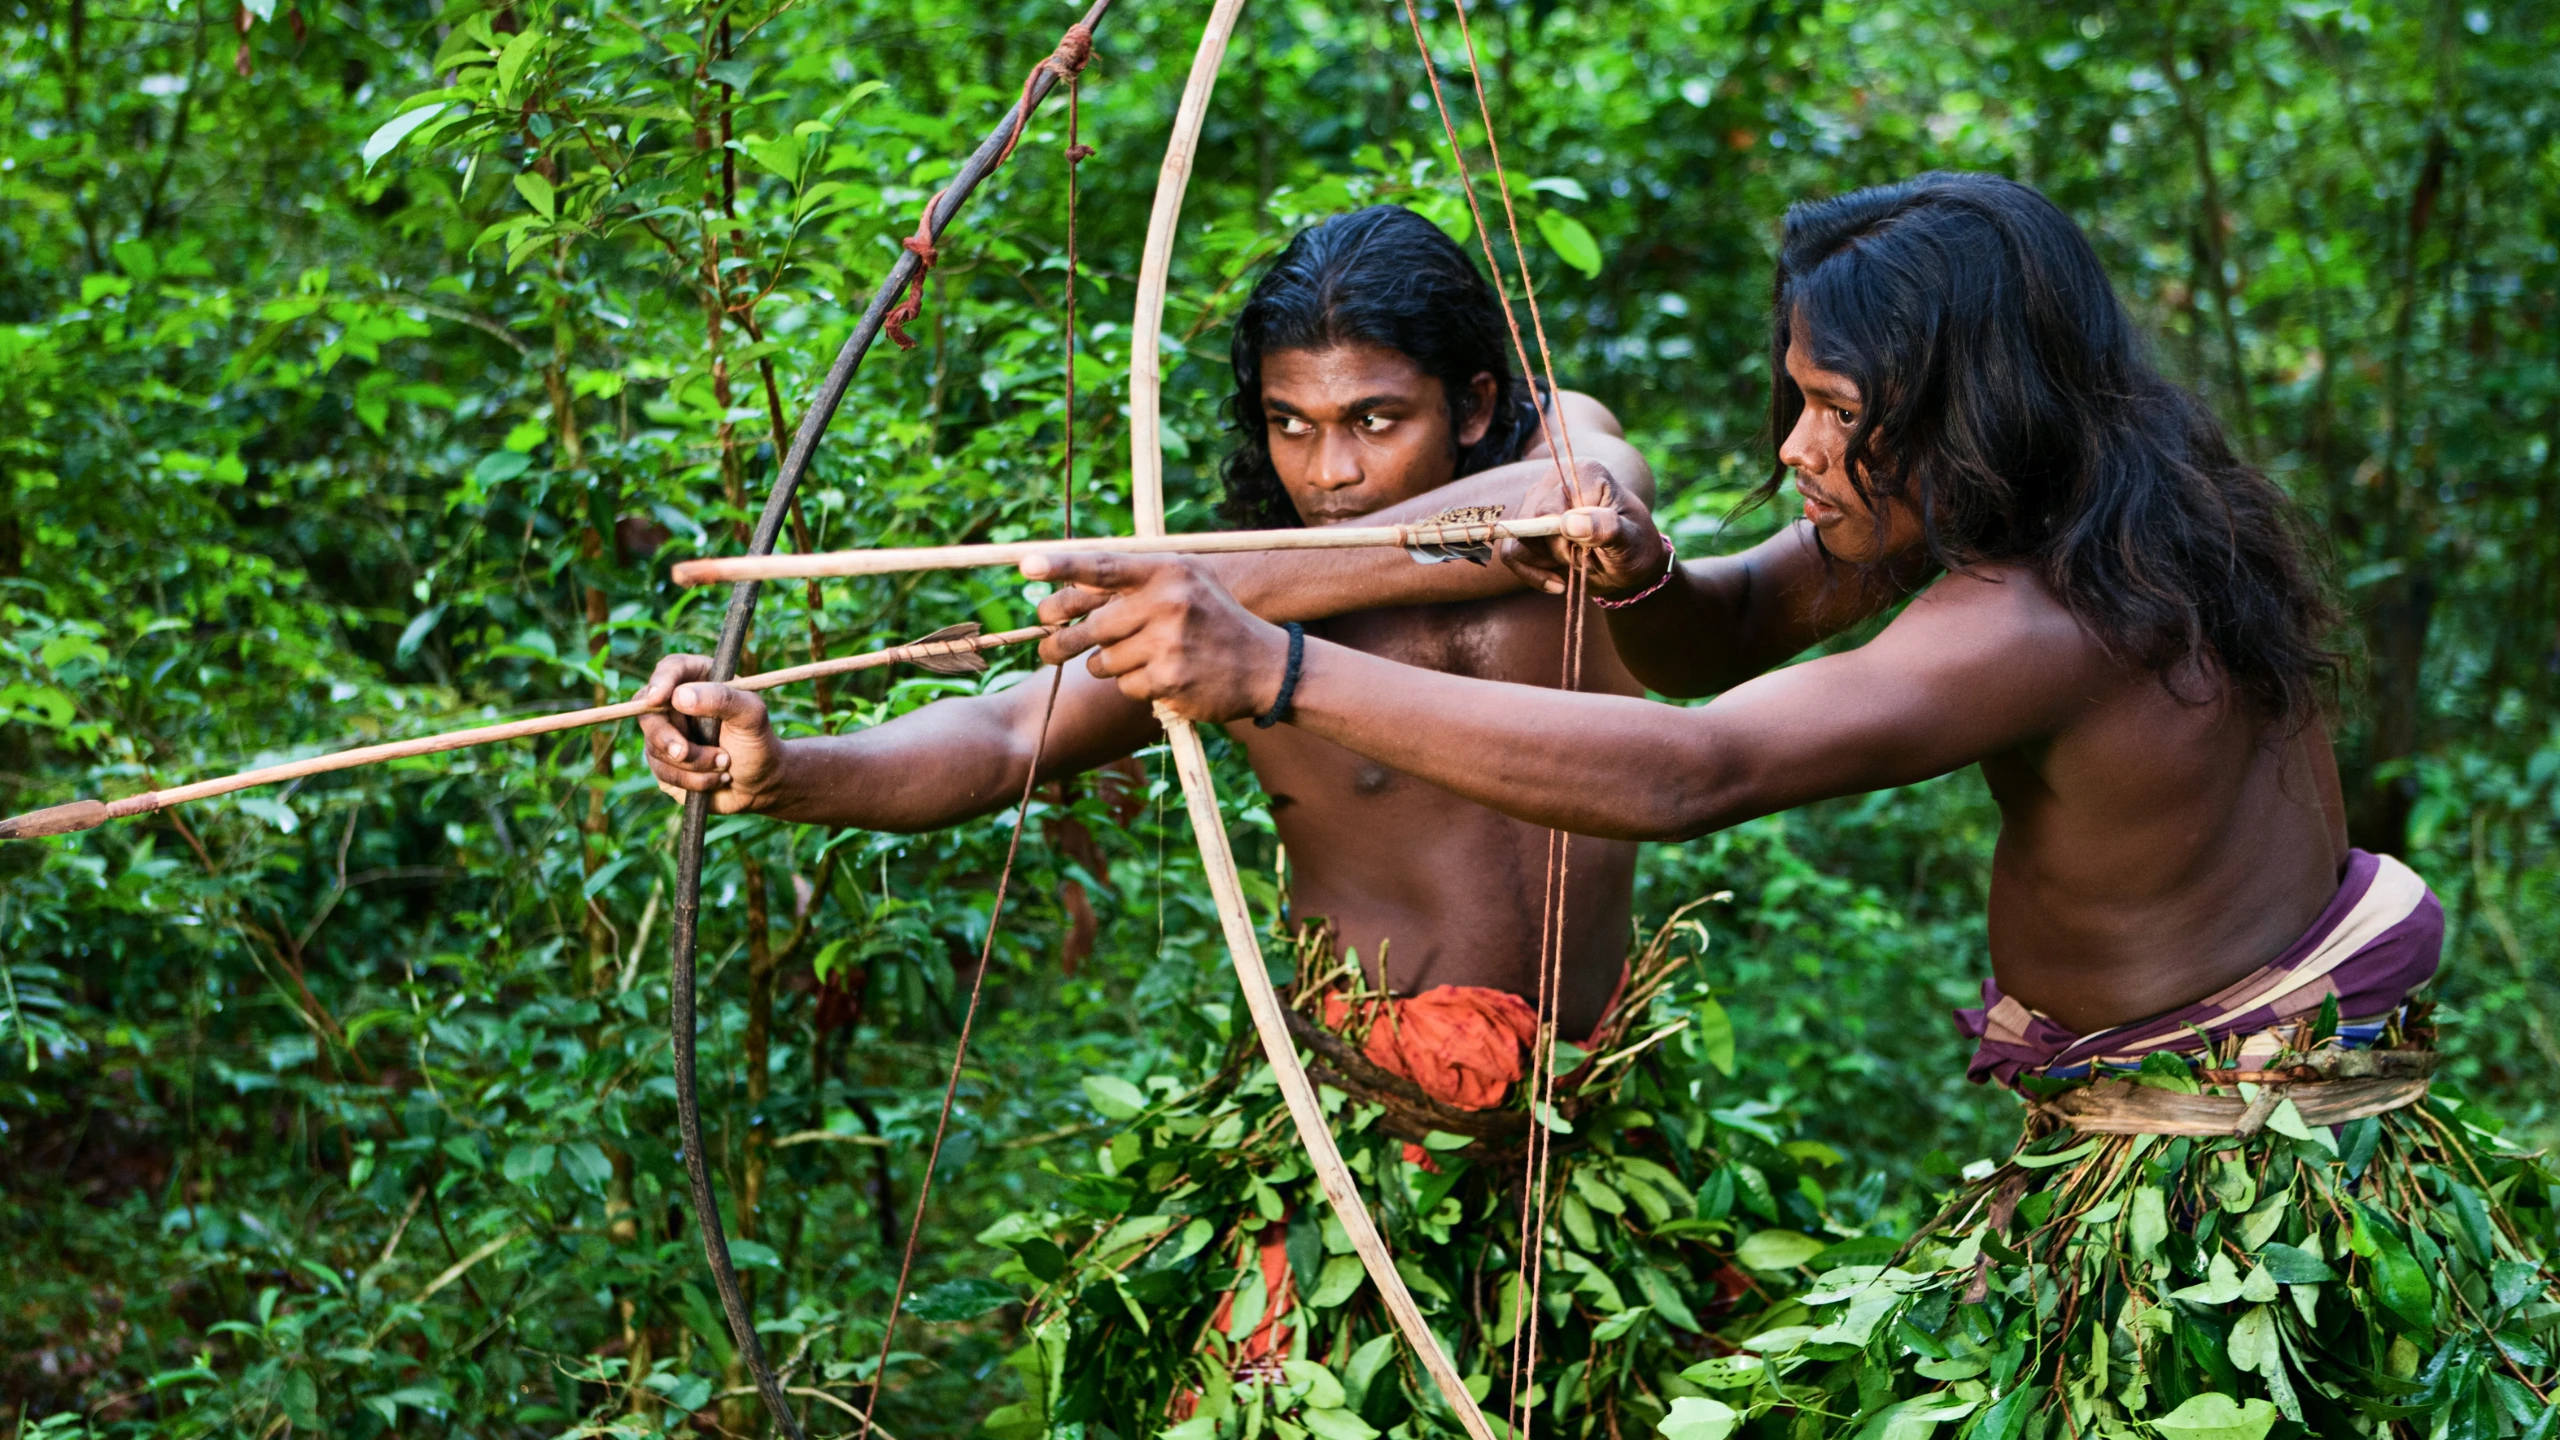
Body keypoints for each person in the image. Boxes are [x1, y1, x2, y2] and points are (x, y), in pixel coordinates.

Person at [1020, 174, 2560, 1437]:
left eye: (1830, 409)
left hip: (2215, 1168)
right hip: (2174, 1119)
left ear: (1957, 405)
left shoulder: (2045, 610)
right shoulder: (2072, 478)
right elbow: (1726, 627)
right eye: (1796, 400)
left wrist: (1276, 666)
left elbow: (1702, 766)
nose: (1793, 448)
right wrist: (1644, 574)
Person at [639, 206, 1818, 1437]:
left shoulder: (1518, 476)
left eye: (1375, 419)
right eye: (1290, 426)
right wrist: (783, 770)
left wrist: (1248, 582)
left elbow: (1578, 492)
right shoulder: (1205, 628)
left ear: (1474, 403)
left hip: (1598, 1116)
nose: (1331, 472)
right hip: (1361, 1144)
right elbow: (998, 738)